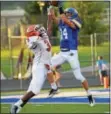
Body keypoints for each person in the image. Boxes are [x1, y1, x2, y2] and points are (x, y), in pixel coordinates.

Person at [48, 3, 95, 106]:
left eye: (68, 13)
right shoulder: (63, 22)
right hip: (62, 52)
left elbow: (66, 21)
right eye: (66, 13)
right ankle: (54, 88)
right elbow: (54, 18)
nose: (67, 15)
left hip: (71, 53)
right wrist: (50, 7)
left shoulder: (76, 21)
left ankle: (89, 95)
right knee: (47, 65)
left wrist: (60, 6)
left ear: (73, 14)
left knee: (78, 76)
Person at [10, 24, 58, 114]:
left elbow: (48, 30)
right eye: (39, 31)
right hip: (39, 66)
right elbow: (33, 42)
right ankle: (16, 105)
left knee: (30, 91)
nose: (41, 32)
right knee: (35, 91)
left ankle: (18, 107)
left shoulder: (41, 37)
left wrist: (49, 14)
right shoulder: (33, 40)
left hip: (43, 64)